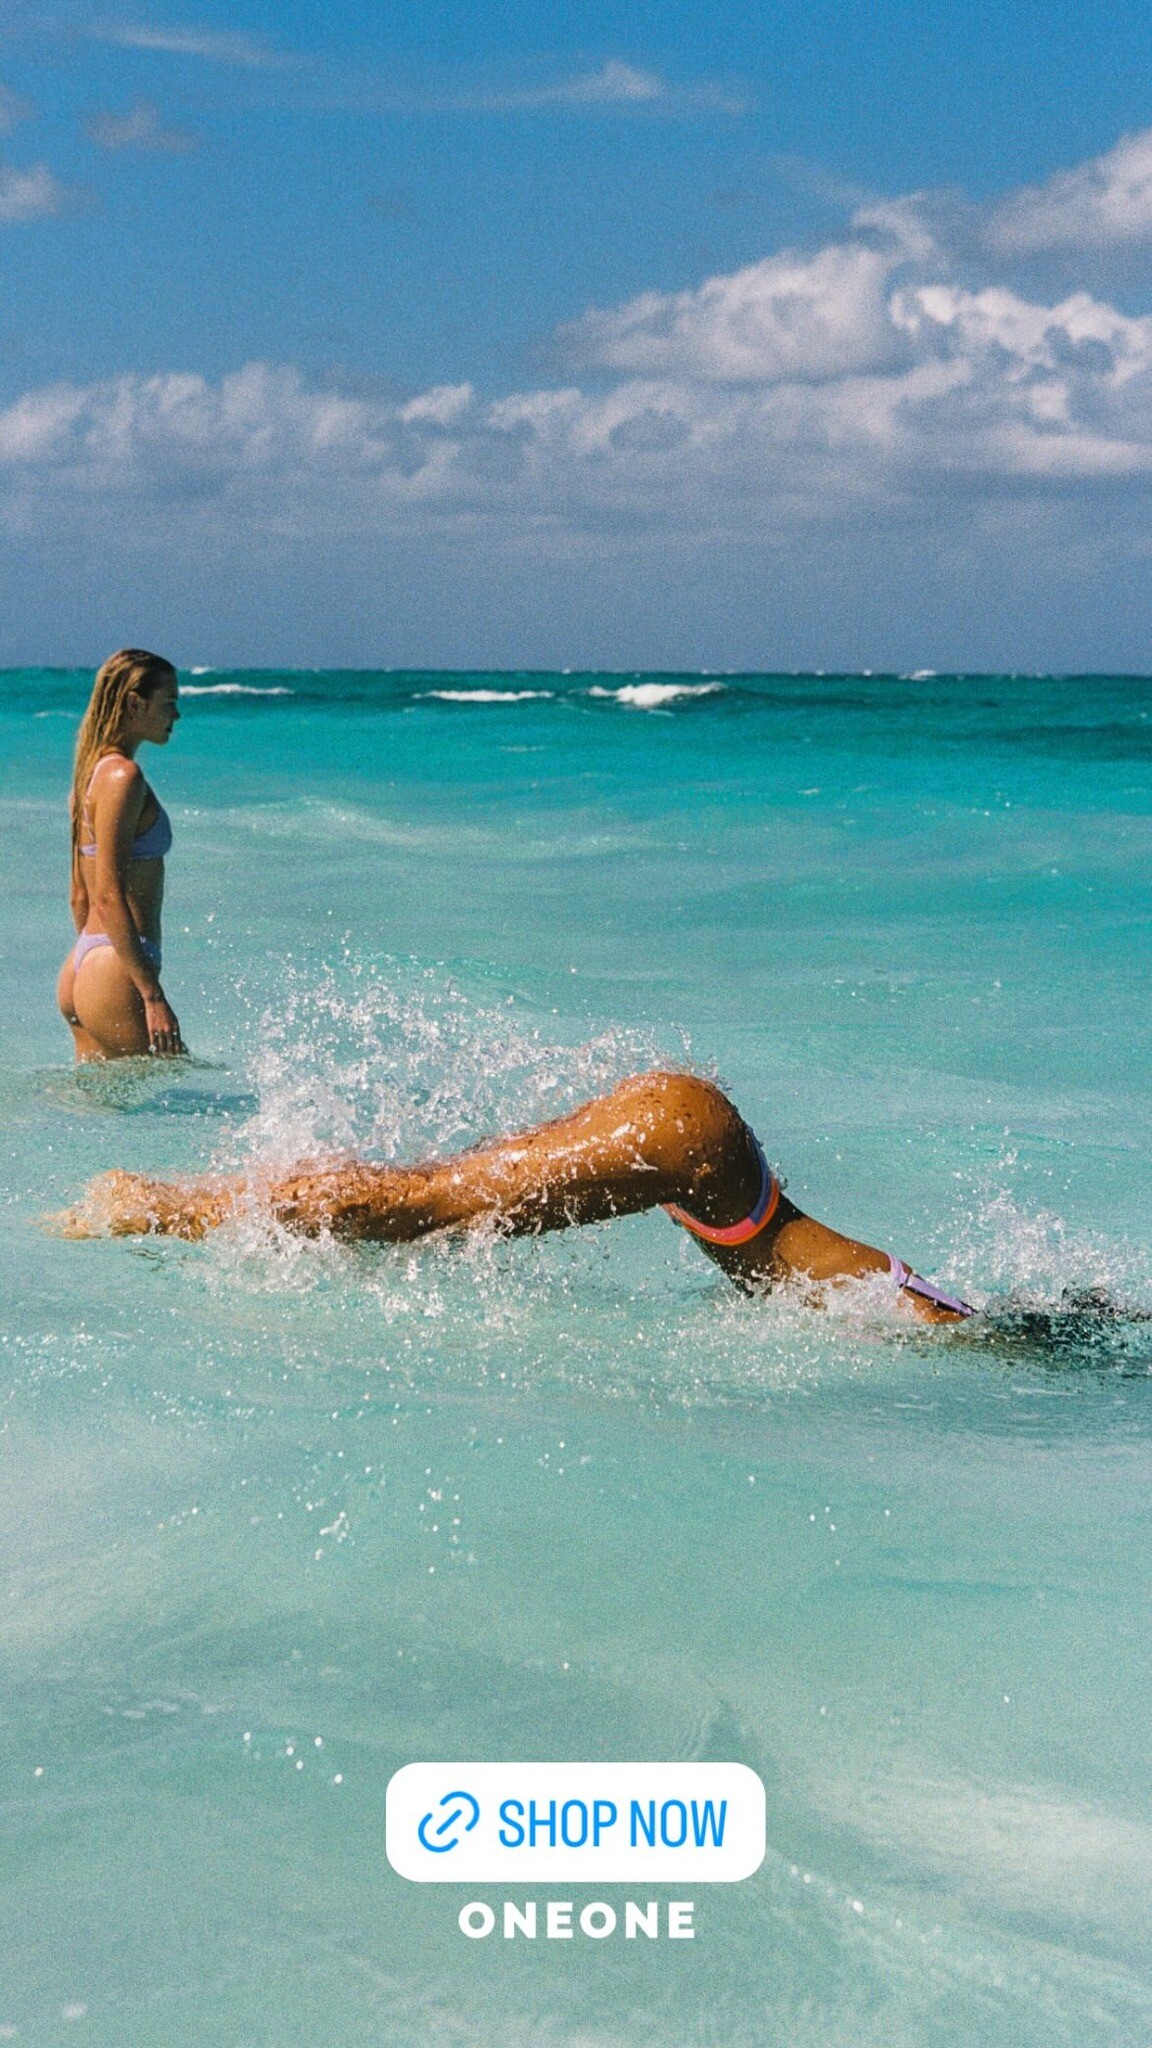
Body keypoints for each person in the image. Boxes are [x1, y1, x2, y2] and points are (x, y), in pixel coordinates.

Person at [54, 1069, 973, 1322]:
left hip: (693, 1140)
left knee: (422, 1194)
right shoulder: (935, 1319)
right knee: (419, 1207)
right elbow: (924, 1310)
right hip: (694, 1154)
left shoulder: (921, 1302)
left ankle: (185, 1200)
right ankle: (158, 1205)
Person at [56, 649, 185, 1060]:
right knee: (178, 1092)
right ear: (134, 703)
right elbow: (106, 895)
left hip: (89, 963)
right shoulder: (122, 776)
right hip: (118, 967)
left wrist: (89, 969)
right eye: (168, 702)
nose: (176, 714)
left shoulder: (89, 776)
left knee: (98, 1100)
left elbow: (78, 895)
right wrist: (151, 995)